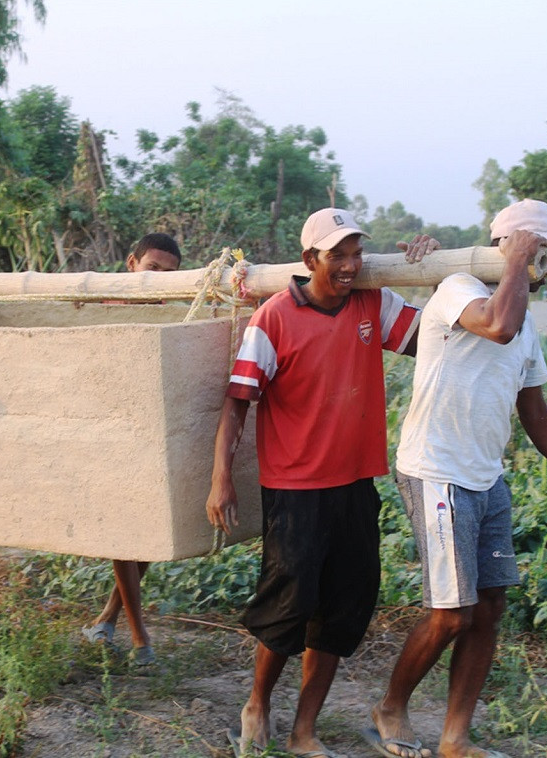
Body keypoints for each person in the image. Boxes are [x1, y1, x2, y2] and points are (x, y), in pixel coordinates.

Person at [364, 199, 547, 758]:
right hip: (436, 470)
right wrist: (514, 261)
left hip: (486, 479)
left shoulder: (527, 323)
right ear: (517, 248)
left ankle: (455, 737)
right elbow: (496, 326)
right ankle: (390, 706)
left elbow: (537, 417)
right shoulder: (459, 288)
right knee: (452, 612)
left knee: (488, 609)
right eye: (544, 251)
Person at [206, 208, 437, 757]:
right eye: (339, 255)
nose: (352, 265)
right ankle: (258, 704)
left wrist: (430, 272)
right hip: (295, 488)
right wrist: (221, 478)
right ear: (311, 260)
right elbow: (238, 403)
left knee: (340, 610)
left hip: (355, 483)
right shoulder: (274, 318)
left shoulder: (373, 305)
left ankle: (304, 729)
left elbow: (440, 332)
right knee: (289, 603)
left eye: (358, 253)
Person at [81, 233, 182, 666]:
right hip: (110, 436)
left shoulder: (177, 312)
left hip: (154, 435)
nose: (158, 279)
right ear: (131, 263)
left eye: (169, 274)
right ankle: (140, 639)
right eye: (152, 269)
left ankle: (105, 620)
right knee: (127, 535)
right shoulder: (103, 306)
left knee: (147, 540)